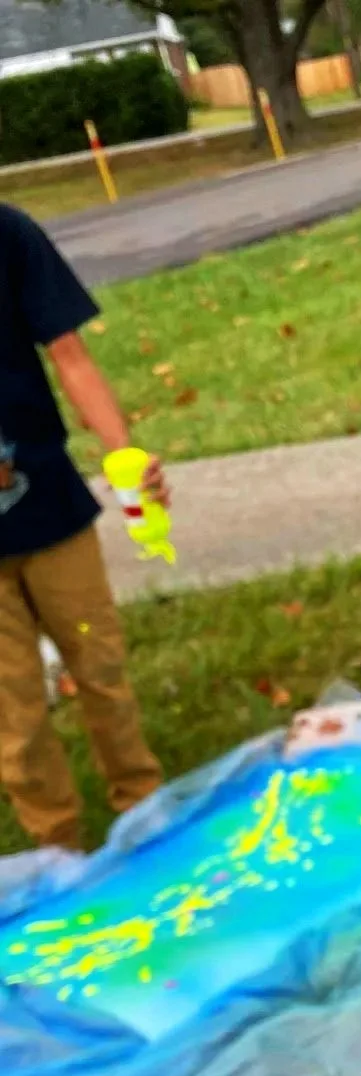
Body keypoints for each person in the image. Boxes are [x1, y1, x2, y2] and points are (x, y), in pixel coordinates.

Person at [0, 204, 163, 852]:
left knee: (100, 663)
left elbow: (69, 353)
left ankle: (143, 810)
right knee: (13, 711)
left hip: (52, 509)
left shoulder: (9, 235)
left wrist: (126, 453)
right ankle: (56, 848)